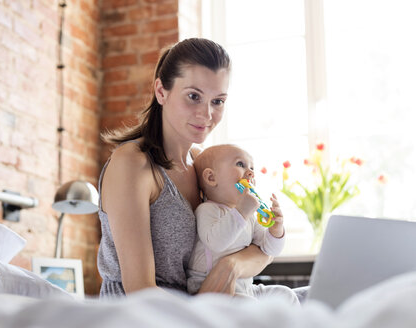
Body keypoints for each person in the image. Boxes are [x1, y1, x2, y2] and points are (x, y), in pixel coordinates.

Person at [97, 38, 272, 299]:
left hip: (198, 308)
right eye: (194, 96)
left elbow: (263, 249)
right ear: (161, 91)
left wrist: (230, 265)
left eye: (218, 101)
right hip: (139, 316)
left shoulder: (204, 165)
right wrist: (204, 304)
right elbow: (140, 292)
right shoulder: (132, 163)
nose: (207, 114)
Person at [187, 144, 299, 305]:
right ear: (211, 178)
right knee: (252, 308)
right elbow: (217, 243)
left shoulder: (250, 215)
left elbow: (269, 250)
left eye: (252, 167)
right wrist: (241, 211)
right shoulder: (207, 210)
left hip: (245, 287)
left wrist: (276, 229)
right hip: (213, 291)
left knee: (285, 294)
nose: (251, 172)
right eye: (240, 164)